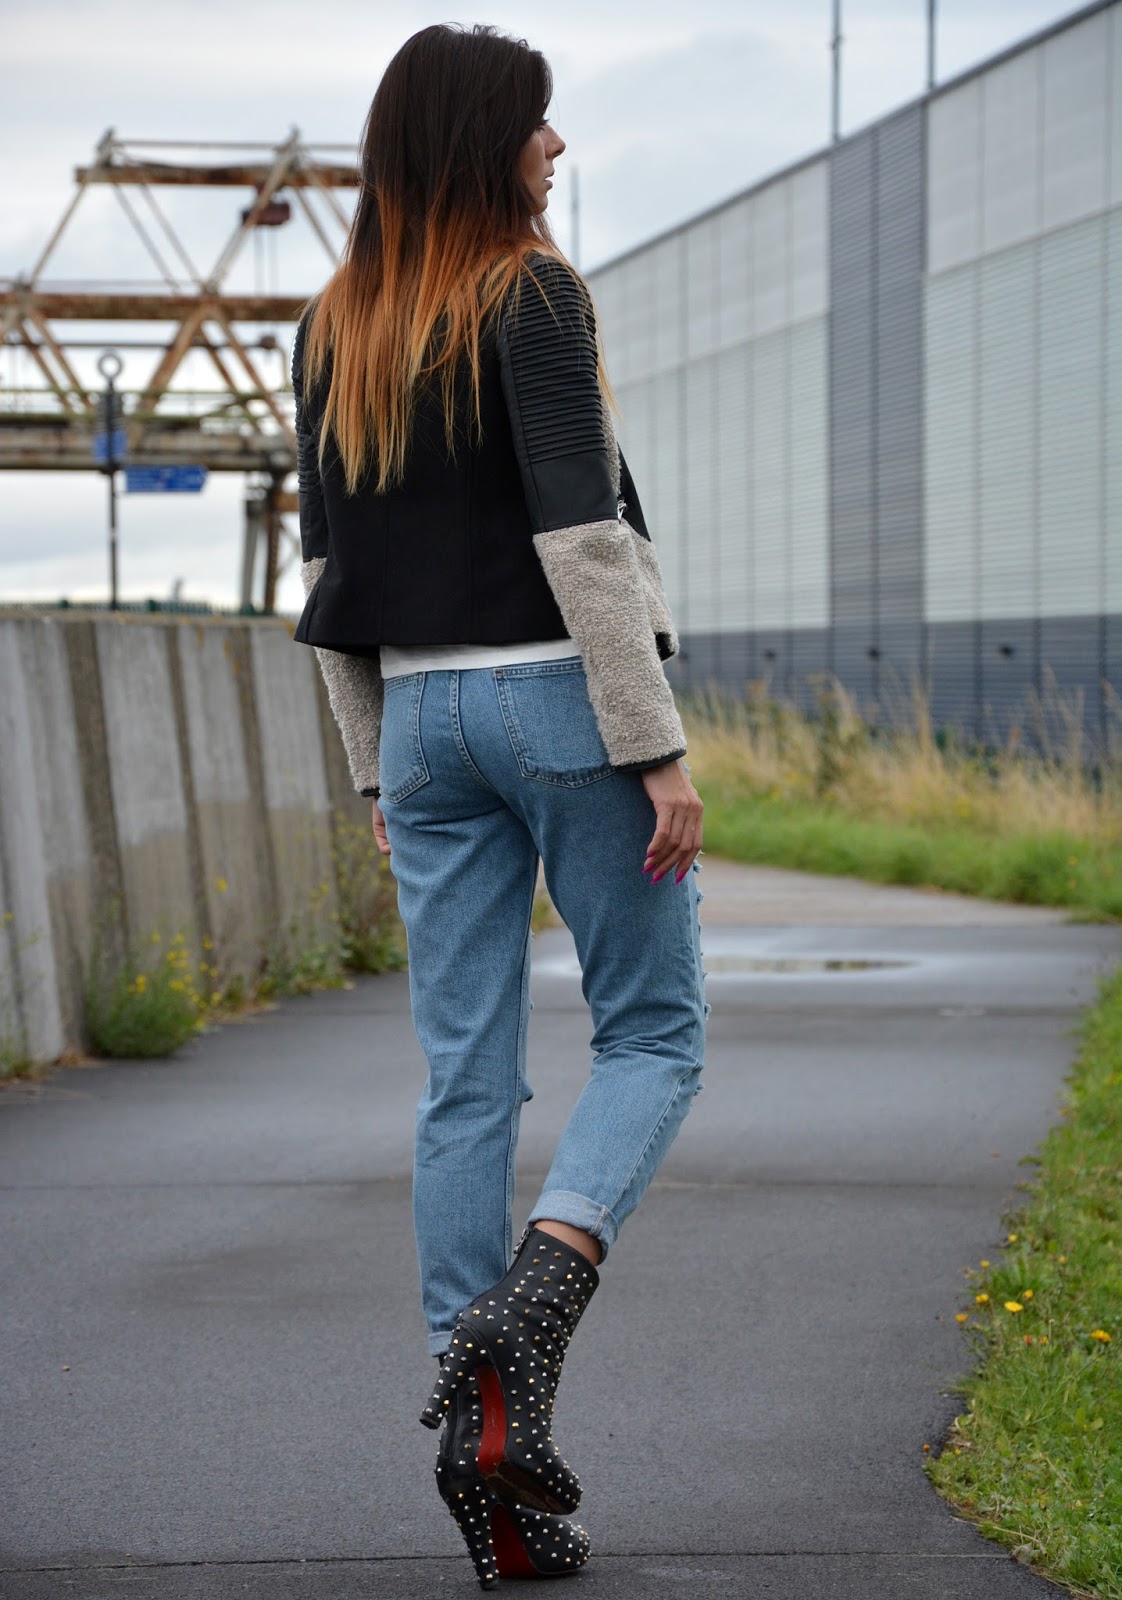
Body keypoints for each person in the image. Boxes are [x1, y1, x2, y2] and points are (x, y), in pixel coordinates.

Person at [291, 22, 709, 1590]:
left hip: (420, 722)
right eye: (538, 123)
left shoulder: (335, 323)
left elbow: (326, 571)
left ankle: (485, 1443)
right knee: (653, 1032)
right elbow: (582, 534)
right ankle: (542, 1287)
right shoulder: (529, 294)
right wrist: (653, 746)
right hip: (558, 704)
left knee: (463, 1081)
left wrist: (373, 763)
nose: (557, 147)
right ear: (485, 142)